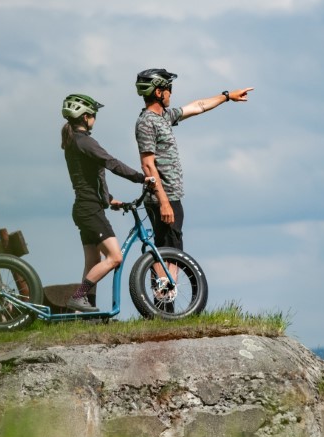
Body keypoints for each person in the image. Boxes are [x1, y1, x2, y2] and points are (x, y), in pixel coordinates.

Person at [134, 68, 254, 256]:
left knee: (169, 250)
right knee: (170, 252)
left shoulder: (163, 117)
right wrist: (164, 201)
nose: (171, 93)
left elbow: (198, 106)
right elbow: (147, 165)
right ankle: (162, 277)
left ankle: (163, 277)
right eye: (169, 89)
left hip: (170, 196)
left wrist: (227, 96)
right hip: (163, 196)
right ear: (158, 92)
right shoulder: (147, 122)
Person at [60, 93, 146, 312]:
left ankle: (87, 310)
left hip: (86, 207)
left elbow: (87, 178)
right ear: (85, 116)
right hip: (90, 210)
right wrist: (141, 178)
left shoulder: (74, 142)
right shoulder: (85, 141)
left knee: (92, 262)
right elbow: (111, 163)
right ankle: (79, 297)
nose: (95, 119)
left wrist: (108, 199)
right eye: (94, 115)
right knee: (115, 257)